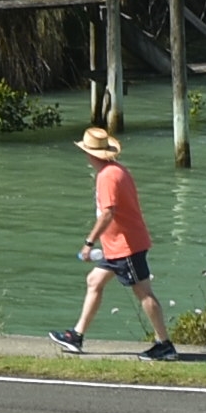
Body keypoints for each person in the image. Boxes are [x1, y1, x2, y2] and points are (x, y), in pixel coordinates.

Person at [53, 125, 178, 357]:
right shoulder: (117, 170)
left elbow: (109, 212)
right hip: (116, 247)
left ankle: (165, 345)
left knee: (144, 293)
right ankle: (76, 336)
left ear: (91, 154)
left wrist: (89, 242)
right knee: (94, 281)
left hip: (126, 247)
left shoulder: (107, 177)